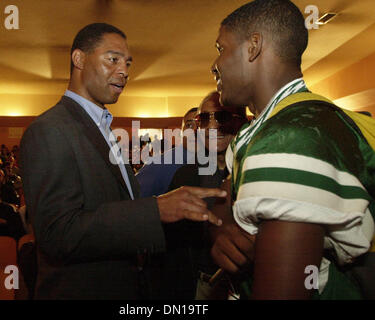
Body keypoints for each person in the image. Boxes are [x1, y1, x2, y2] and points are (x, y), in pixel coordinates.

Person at [20, 23, 226, 300]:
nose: (124, 71)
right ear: (79, 59)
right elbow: (58, 234)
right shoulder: (50, 129)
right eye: (113, 59)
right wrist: (155, 210)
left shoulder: (102, 129)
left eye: (128, 63)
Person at [209, 0, 375, 299]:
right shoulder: (266, 127)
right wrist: (222, 228)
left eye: (221, 49)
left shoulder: (289, 135)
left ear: (253, 46)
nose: (215, 65)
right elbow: (224, 196)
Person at [148, 91, 248, 299]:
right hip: (197, 285)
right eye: (203, 119)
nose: (212, 127)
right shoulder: (186, 175)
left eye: (222, 117)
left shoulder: (254, 172)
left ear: (241, 123)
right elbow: (169, 243)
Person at [136, 107, 198, 197]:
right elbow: (132, 200)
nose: (195, 130)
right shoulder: (159, 165)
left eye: (201, 125)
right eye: (189, 125)